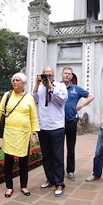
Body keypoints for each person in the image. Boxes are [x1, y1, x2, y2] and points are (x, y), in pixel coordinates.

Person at [0, 72, 40, 198]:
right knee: (8, 162)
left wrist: (34, 133)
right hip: (9, 133)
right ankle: (9, 187)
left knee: (23, 162)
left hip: (24, 134)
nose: (14, 82)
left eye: (17, 80)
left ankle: (24, 186)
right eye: (13, 80)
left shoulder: (29, 97)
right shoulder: (7, 95)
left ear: (23, 83)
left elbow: (33, 117)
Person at [32, 66, 68, 197]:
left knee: (57, 156)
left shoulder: (60, 86)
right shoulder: (40, 87)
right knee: (46, 156)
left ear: (54, 76)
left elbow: (62, 100)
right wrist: (37, 85)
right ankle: (50, 179)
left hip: (56, 126)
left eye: (50, 75)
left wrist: (50, 87)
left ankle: (59, 183)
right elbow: (33, 100)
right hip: (43, 126)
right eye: (45, 75)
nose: (47, 77)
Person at [61, 67, 95, 181]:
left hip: (71, 121)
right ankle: (59, 170)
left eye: (69, 74)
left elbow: (91, 96)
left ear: (71, 77)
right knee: (58, 148)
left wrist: (81, 105)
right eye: (65, 73)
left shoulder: (75, 89)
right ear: (62, 75)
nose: (66, 75)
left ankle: (70, 171)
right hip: (58, 122)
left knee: (71, 147)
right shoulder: (56, 87)